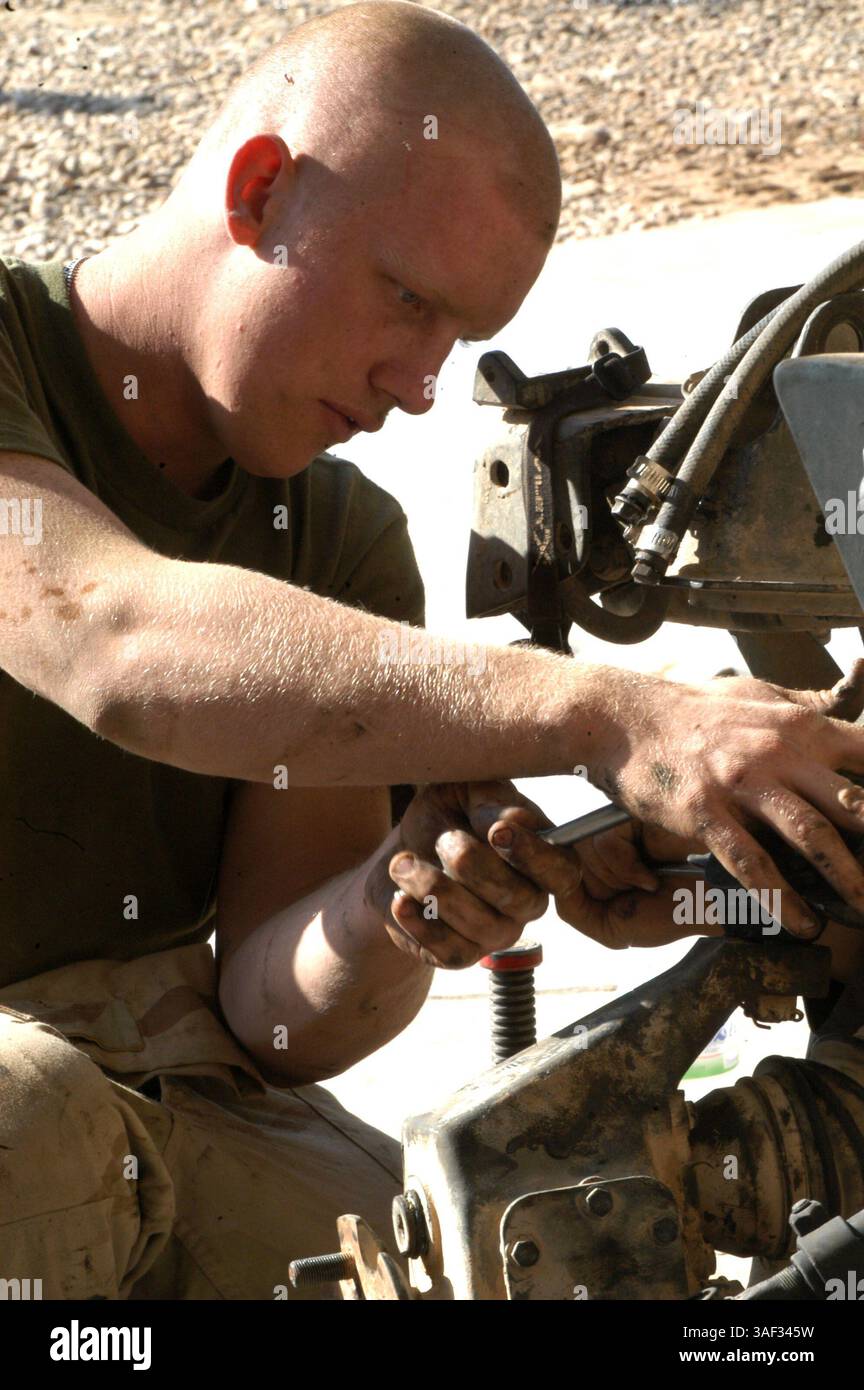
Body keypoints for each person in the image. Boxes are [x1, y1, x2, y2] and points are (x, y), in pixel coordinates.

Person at [1, 0, 864, 1301]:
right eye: (408, 302)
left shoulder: (340, 535)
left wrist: (393, 907)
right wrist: (609, 714)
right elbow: (116, 640)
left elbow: (271, 1021)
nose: (420, 387)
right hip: (47, 1118)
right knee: (43, 1130)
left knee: (521, 1231)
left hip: (167, 1087)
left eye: (457, 343)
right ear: (258, 190)